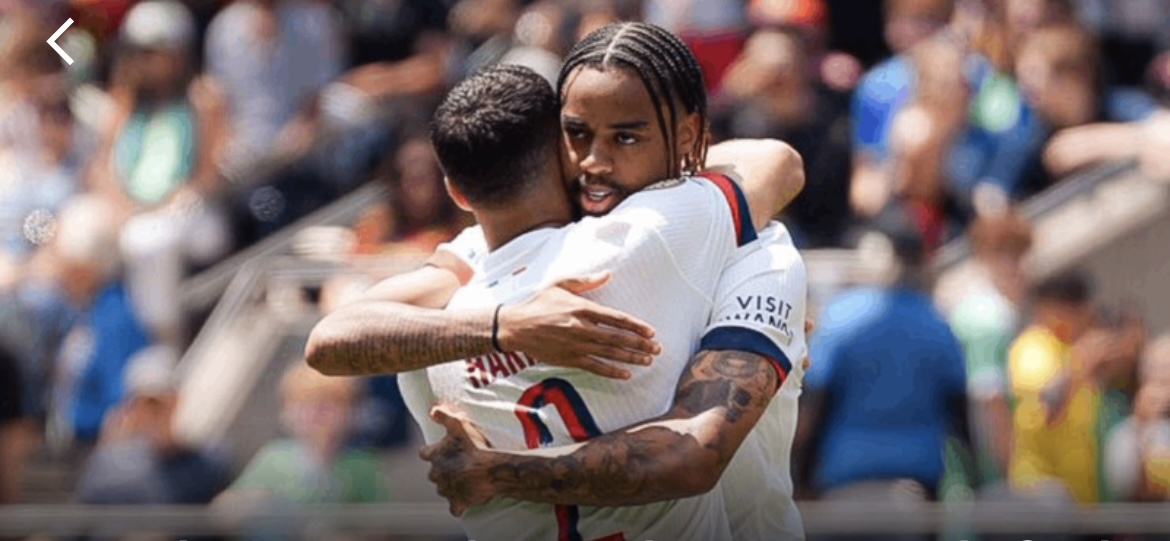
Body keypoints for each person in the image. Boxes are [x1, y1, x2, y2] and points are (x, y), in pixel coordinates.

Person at [307, 23, 808, 541]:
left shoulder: (478, 275)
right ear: (551, 146)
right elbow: (776, 160)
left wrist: (494, 466)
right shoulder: (707, 231)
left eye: (626, 136)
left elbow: (332, 339)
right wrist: (507, 326)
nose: (595, 161)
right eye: (577, 134)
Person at [793, 203, 970, 532]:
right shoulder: (936, 323)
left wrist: (800, 480)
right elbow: (961, 414)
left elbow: (813, 409)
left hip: (840, 489)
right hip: (915, 492)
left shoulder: (839, 318)